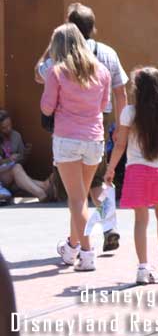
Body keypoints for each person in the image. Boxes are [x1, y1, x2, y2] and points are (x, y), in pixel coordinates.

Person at [36, 3, 128, 252]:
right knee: (99, 181)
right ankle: (107, 227)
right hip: (99, 125)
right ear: (93, 26)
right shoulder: (107, 54)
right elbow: (119, 93)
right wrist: (121, 125)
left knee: (77, 196)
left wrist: (51, 46)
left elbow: (39, 75)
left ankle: (83, 249)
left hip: (68, 131)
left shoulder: (59, 60)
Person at [40, 23, 111, 272]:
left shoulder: (56, 72)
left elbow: (47, 108)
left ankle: (88, 253)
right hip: (94, 139)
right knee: (79, 198)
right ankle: (71, 248)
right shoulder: (101, 71)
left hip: (67, 139)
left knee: (77, 199)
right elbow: (104, 104)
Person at [106, 67, 158, 285]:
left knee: (141, 220)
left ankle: (143, 268)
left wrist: (110, 168)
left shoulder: (129, 113)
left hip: (136, 171)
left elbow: (120, 144)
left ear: (138, 89)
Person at [0, 109, 53, 201]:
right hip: (2, 176)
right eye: (4, 128)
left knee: (17, 169)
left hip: (11, 175)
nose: (8, 129)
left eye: (10, 125)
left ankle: (44, 188)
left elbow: (22, 161)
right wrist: (9, 160)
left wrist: (25, 154)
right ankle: (43, 191)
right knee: (16, 168)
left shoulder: (16, 136)